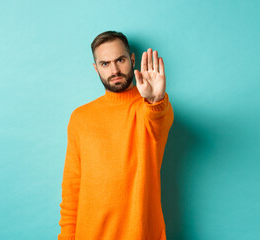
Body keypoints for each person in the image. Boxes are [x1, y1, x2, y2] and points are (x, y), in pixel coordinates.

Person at [57, 31, 174, 240]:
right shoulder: (80, 118)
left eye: (120, 60)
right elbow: (72, 188)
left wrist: (156, 100)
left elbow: (159, 121)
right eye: (105, 64)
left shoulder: (151, 109)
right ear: (96, 68)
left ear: (132, 59)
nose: (114, 70)